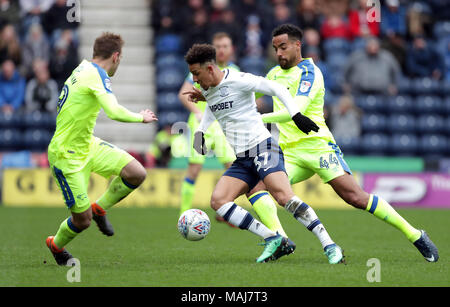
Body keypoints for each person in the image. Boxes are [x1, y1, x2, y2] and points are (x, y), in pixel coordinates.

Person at [253, 23, 438, 263]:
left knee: (356, 198)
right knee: (256, 186)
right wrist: (214, 94)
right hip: (289, 153)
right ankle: (279, 240)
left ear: (298, 45)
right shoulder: (274, 74)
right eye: (275, 48)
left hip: (318, 148)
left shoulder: (310, 72)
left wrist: (257, 117)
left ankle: (415, 235)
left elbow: (295, 110)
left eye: (283, 47)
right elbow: (249, 92)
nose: (279, 53)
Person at [182, 43, 322, 263]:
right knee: (218, 201)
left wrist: (295, 114)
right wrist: (200, 132)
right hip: (243, 158)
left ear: (209, 68)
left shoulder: (238, 79)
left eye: (196, 74)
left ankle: (328, 243)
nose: (195, 80)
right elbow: (212, 107)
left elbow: (276, 88)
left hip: (263, 147)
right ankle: (273, 238)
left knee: (283, 197)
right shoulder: (208, 90)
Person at [45, 32, 158, 265]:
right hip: (67, 156)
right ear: (115, 56)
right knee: (81, 221)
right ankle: (55, 245)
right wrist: (141, 118)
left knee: (136, 173)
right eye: (121, 58)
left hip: (88, 145)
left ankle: (100, 208)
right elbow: (114, 112)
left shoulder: (83, 68)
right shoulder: (97, 75)